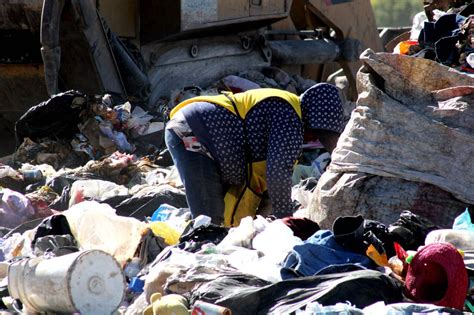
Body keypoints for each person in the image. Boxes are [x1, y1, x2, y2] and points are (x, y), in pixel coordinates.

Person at [165, 83, 344, 226]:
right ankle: (200, 261)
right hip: (194, 133)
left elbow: (268, 182)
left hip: (197, 133)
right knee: (208, 222)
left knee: (217, 221)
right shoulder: (290, 115)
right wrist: (286, 221)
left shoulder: (288, 111)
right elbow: (277, 172)